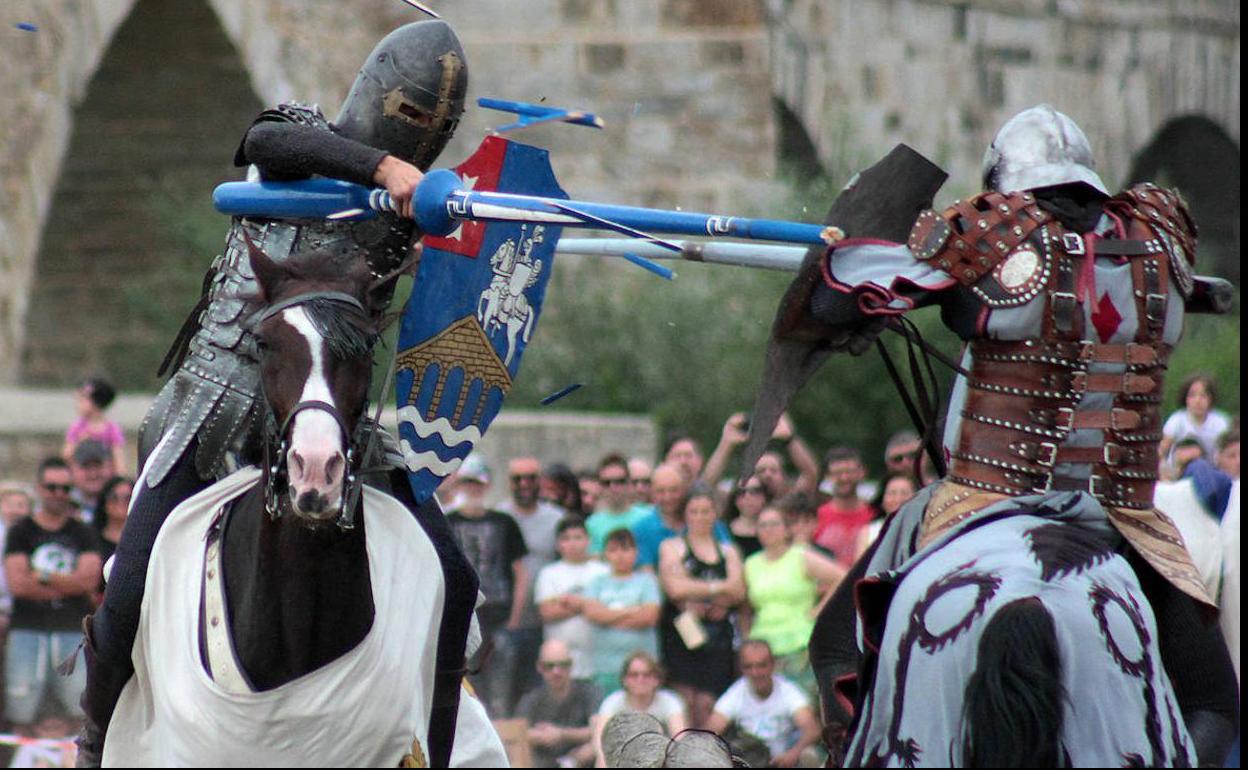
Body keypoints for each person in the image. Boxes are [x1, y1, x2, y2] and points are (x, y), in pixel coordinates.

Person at [785, 105, 1236, 764]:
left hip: (982, 500)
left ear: (1006, 180)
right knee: (1213, 703)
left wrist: (850, 269)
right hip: (1122, 517)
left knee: (833, 638)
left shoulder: (991, 236)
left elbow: (831, 301)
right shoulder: (1159, 242)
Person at [77, 19, 475, 766]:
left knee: (455, 578)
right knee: (128, 591)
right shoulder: (298, 139)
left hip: (332, 416)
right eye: (410, 113)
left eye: (434, 126)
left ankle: (439, 747)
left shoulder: (399, 222)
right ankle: (94, 747)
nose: (419, 134)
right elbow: (262, 146)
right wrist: (385, 169)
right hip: (217, 402)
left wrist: (434, 233)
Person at [3, 458, 102, 732]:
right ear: (39, 488)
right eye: (52, 487)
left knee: (78, 710)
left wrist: (43, 576)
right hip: (26, 629)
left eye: (65, 488)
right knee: (20, 711)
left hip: (71, 630)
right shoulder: (21, 531)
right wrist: (69, 582)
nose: (59, 494)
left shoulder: (83, 532)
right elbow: (18, 585)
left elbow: (88, 581)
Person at [657, 483, 746, 728]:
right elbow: (674, 589)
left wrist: (695, 590)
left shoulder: (728, 551)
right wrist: (719, 588)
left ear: (714, 513)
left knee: (709, 702)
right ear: (685, 514)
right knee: (686, 700)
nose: (699, 517)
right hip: (682, 633)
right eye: (694, 511)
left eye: (705, 511)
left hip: (718, 638)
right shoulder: (672, 546)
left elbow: (738, 591)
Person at [446, 457, 528, 718]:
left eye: (478, 484)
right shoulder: (447, 522)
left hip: (499, 619)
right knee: (465, 690)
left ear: (488, 486)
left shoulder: (505, 522)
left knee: (501, 690)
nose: (473, 489)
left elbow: (520, 573)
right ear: (459, 485)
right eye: (468, 483)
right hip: (462, 621)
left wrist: (515, 618)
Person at [742, 507, 844, 697]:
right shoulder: (750, 564)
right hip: (764, 646)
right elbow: (745, 606)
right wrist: (747, 635)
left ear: (787, 529)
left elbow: (842, 577)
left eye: (774, 524)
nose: (768, 530)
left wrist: (819, 610)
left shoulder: (801, 556)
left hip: (799, 643)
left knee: (803, 700)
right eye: (763, 525)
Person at [498, 456, 567, 710]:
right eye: (518, 479)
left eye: (531, 478)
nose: (524, 484)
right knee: (505, 693)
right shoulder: (499, 517)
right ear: (509, 482)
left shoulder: (557, 519)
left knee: (539, 694)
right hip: (508, 621)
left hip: (546, 622)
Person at [707, 641, 823, 768]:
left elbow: (812, 729)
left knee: (809, 753)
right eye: (748, 666)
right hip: (749, 760)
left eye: (761, 665)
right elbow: (710, 731)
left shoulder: (788, 691)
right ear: (741, 668)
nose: (755, 673)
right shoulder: (735, 693)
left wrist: (793, 754)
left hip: (782, 761)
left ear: (773, 665)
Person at [582, 528, 662, 696]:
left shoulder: (647, 582)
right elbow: (592, 614)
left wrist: (608, 615)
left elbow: (649, 616)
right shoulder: (596, 583)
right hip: (605, 667)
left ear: (635, 552)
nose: (619, 555)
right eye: (613, 550)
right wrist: (631, 611)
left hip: (643, 669)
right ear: (605, 554)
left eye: (625, 549)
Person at [535, 518, 609, 681]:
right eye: (566, 538)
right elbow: (547, 612)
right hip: (560, 663)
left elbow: (608, 609)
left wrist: (571, 602)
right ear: (558, 544)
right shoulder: (549, 573)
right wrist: (588, 604)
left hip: (599, 659)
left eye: (578, 537)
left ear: (588, 540)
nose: (573, 543)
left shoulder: (604, 571)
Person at [516, 639, 603, 768]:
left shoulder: (589, 691)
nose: (556, 671)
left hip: (581, 761)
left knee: (595, 747)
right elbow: (516, 733)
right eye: (549, 666)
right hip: (543, 763)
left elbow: (599, 729)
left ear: (571, 665)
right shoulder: (531, 699)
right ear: (539, 667)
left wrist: (561, 734)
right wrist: (539, 736)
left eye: (563, 665)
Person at [591, 652, 686, 767]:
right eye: (634, 675)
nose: (640, 679)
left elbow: (680, 739)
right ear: (625, 679)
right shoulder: (613, 702)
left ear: (656, 679)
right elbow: (600, 741)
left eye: (646, 675)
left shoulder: (669, 701)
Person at [630, 463, 732, 571]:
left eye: (673, 490)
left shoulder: (708, 522)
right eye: (661, 491)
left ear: (685, 489)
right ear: (652, 493)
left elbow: (730, 562)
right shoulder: (642, 530)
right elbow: (647, 577)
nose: (667, 497)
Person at [703, 413, 819, 497]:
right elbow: (707, 485)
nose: (767, 475)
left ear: (783, 475)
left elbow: (811, 475)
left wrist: (789, 439)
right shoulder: (739, 502)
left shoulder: (791, 500)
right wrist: (726, 444)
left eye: (774, 470)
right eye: (760, 471)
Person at [812, 447, 873, 570]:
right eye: (837, 473)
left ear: (861, 473)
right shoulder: (816, 517)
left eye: (849, 471)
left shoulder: (874, 515)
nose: (844, 478)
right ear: (828, 477)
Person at [1160, 374, 1232, 468]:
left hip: (1212, 471)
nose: (1198, 401)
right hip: (1180, 474)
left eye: (1203, 396)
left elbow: (1229, 452)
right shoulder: (1177, 420)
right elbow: (1162, 450)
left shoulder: (1221, 422)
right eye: (1192, 395)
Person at [584, 455, 648, 555]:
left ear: (629, 483)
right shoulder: (591, 524)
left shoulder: (647, 517)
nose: (613, 487)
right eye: (607, 483)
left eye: (619, 481)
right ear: (600, 486)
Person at [62, 378, 126, 476]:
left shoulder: (112, 429)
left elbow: (118, 460)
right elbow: (66, 455)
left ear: (96, 402)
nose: (78, 404)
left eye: (82, 400)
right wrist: (79, 442)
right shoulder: (77, 428)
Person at [89, 477, 132, 599]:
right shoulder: (91, 539)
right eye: (114, 497)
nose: (121, 502)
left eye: (127, 498)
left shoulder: (145, 541)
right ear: (104, 502)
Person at [859, 471, 919, 555]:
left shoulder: (923, 529)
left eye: (904, 493)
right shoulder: (869, 532)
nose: (898, 499)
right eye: (892, 493)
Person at [724, 474, 773, 559]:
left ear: (764, 496)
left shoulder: (776, 529)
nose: (747, 496)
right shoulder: (723, 531)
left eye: (755, 491)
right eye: (741, 492)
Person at [69, 440, 115, 524]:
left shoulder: (123, 504)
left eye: (98, 466)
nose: (93, 474)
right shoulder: (63, 505)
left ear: (111, 468)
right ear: (72, 470)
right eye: (86, 466)